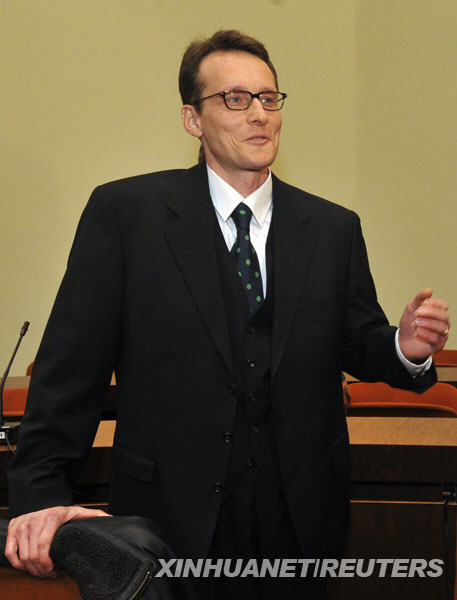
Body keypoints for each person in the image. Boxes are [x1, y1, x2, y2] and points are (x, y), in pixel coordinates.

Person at [5, 30, 450, 599]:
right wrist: (40, 499)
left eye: (268, 98)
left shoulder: (332, 229)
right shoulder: (126, 217)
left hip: (301, 523)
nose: (259, 114)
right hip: (168, 521)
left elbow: (356, 340)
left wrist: (403, 348)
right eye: (235, 99)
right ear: (192, 119)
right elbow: (70, 372)